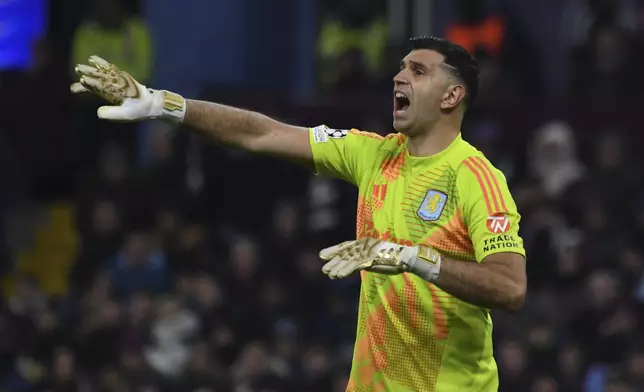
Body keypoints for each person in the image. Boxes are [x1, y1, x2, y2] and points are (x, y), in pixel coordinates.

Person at [71, 36, 527, 392]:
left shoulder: (473, 177)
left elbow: (510, 288)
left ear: (451, 96)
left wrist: (413, 258)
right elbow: (263, 133)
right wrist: (161, 104)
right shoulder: (371, 154)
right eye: (401, 68)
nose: (398, 77)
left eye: (417, 70)